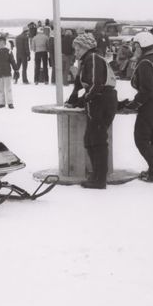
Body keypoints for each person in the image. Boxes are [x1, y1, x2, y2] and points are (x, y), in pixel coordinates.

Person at [64, 33, 118, 189]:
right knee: (90, 139)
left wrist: (81, 100)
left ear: (85, 47)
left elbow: (96, 84)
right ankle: (96, 175)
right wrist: (73, 99)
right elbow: (79, 84)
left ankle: (100, 179)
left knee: (97, 139)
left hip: (102, 101)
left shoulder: (93, 58)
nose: (75, 52)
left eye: (77, 48)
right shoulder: (88, 60)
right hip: (98, 101)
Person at [119, 32, 153, 183]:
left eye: (136, 46)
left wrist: (134, 104)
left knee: (141, 139)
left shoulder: (146, 62)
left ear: (141, 45)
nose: (135, 49)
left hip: (149, 105)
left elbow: (146, 89)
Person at [0, 36, 19, 109]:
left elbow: (13, 61)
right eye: (0, 43)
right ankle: (1, 102)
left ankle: (10, 102)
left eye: (3, 43)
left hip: (7, 72)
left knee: (8, 88)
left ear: (5, 43)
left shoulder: (8, 51)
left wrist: (16, 70)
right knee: (0, 89)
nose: (1, 44)